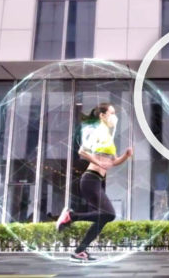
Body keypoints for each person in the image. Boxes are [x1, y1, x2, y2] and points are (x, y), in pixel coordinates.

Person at [55, 103, 133, 263]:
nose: (114, 116)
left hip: (96, 180)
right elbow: (81, 151)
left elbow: (112, 162)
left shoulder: (107, 136)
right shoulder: (98, 131)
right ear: (102, 116)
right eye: (112, 112)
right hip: (90, 179)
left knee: (103, 218)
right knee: (109, 214)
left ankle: (79, 251)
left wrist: (126, 156)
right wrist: (97, 161)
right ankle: (71, 216)